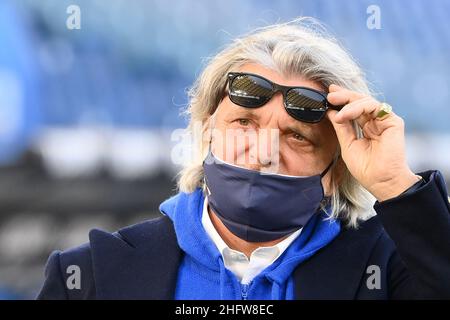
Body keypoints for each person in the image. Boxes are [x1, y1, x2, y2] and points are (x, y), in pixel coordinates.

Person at [37, 18, 450, 300]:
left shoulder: (386, 274)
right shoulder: (89, 276)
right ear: (205, 131)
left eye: (297, 136)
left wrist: (394, 181)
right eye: (244, 123)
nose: (264, 152)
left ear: (336, 169)